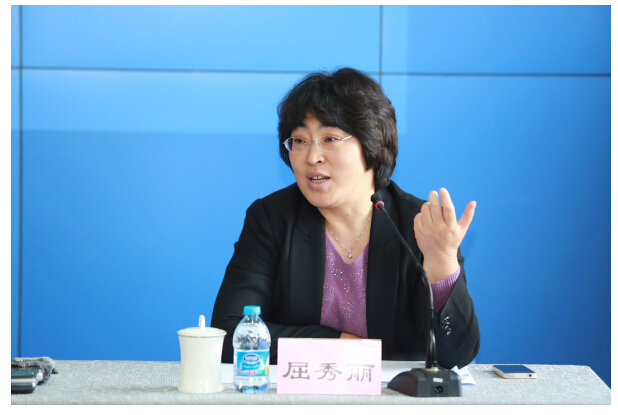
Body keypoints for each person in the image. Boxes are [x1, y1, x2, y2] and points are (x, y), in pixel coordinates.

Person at [211, 67, 480, 370]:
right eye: (299, 140)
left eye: (329, 138)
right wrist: (336, 345)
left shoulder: (418, 225)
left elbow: (456, 356)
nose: (312, 157)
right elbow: (230, 334)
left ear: (372, 146)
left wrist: (442, 262)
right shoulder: (272, 219)